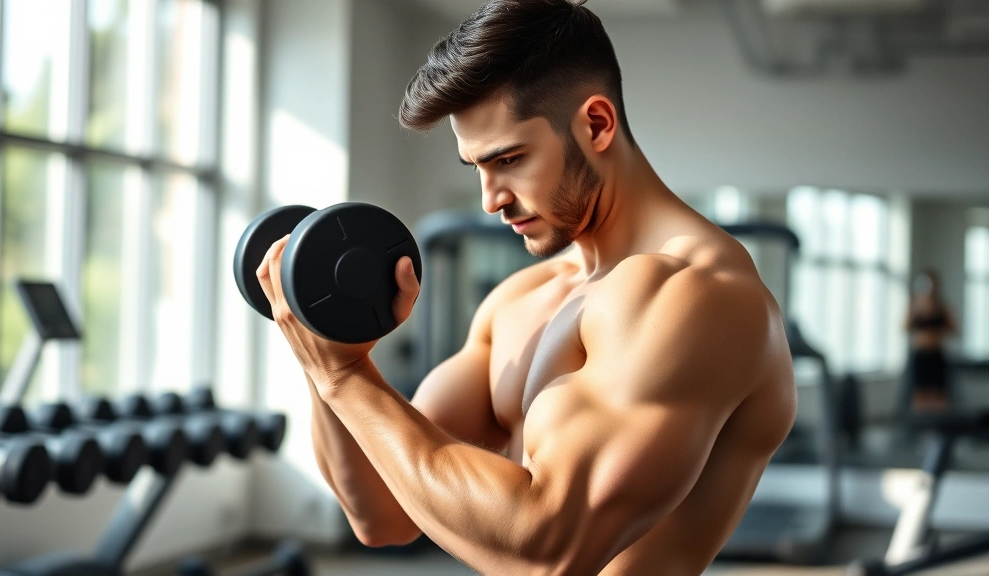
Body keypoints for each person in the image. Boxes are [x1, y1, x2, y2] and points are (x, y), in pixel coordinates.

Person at [255, 1, 797, 573]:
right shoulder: (521, 301)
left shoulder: (696, 296)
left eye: (509, 159)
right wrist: (325, 343)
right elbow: (380, 513)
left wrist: (343, 377)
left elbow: (552, 552)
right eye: (477, 169)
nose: (491, 199)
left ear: (596, 124)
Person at [904, 269, 957, 413]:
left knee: (939, 393)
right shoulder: (914, 306)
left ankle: (939, 426)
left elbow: (954, 330)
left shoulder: (942, 307)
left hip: (936, 354)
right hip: (920, 354)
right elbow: (904, 328)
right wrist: (919, 309)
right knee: (919, 394)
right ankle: (920, 428)